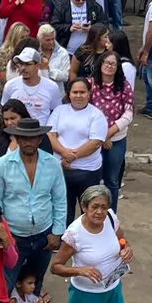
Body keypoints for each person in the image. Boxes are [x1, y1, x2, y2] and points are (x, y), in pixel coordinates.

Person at [0, 117, 66, 295]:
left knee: (35, 285)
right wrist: (4, 236)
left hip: (44, 236)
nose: (28, 142)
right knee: (7, 286)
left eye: (32, 138)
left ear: (40, 139)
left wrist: (57, 232)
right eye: (23, 138)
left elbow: (60, 200)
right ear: (16, 139)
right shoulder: (2, 165)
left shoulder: (53, 164)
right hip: (14, 237)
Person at [48, 78, 107, 221]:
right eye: (75, 92)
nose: (78, 96)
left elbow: (95, 142)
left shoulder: (96, 115)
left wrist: (71, 156)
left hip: (87, 172)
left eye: (82, 92)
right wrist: (63, 153)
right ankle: (63, 241)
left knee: (88, 211)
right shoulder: (59, 110)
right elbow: (50, 134)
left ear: (89, 93)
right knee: (63, 211)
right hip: (61, 169)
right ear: (69, 94)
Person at [90, 51, 134, 211]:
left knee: (112, 181)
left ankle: (111, 217)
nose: (109, 66)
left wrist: (108, 133)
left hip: (116, 140)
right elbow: (86, 111)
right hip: (94, 140)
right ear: (100, 64)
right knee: (94, 180)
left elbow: (128, 113)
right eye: (106, 63)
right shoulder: (91, 84)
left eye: (113, 64)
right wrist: (101, 137)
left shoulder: (124, 85)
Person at [1, 47, 62, 122]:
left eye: (27, 64)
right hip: (17, 131)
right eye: (21, 64)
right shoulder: (10, 85)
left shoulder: (52, 87)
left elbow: (57, 113)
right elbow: (4, 111)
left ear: (38, 65)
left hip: (42, 131)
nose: (23, 68)